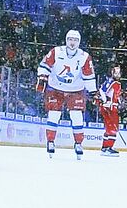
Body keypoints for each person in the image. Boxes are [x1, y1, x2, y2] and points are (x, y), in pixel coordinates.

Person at [37, 29, 98, 159]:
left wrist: (93, 91)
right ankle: (51, 141)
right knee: (54, 114)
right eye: (70, 39)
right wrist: (42, 77)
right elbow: (44, 65)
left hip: (76, 90)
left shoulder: (84, 57)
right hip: (55, 88)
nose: (72, 42)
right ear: (66, 40)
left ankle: (78, 143)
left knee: (77, 116)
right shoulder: (56, 51)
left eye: (75, 40)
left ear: (79, 42)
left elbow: (89, 76)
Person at [97, 63, 123, 157]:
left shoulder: (114, 82)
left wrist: (119, 101)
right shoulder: (113, 82)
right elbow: (102, 90)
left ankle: (105, 148)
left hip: (111, 107)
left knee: (109, 128)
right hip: (110, 108)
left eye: (119, 73)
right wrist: (105, 101)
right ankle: (108, 148)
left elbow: (115, 95)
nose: (118, 75)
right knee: (112, 129)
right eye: (116, 73)